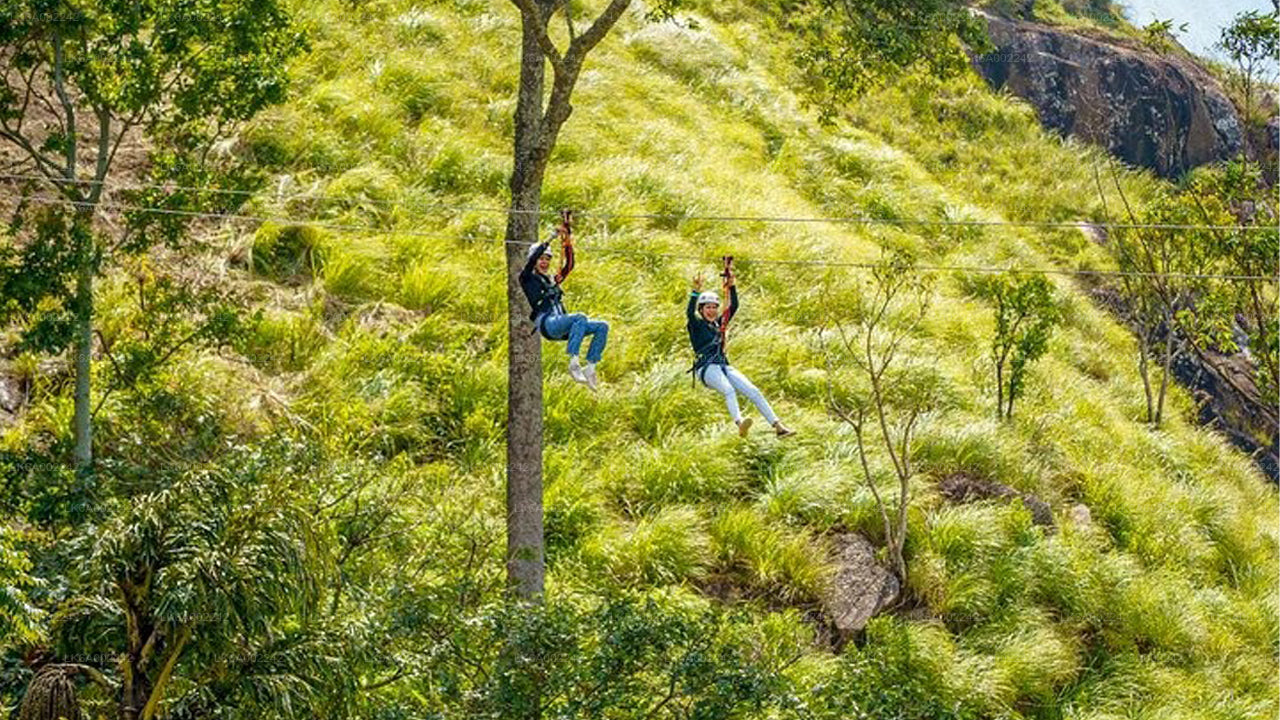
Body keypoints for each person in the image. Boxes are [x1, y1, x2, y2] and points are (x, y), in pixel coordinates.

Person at [686, 268, 794, 438]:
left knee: (753, 391)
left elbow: (733, 306)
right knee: (728, 390)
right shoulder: (696, 325)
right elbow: (689, 314)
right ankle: (739, 422)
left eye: (714, 307)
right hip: (706, 367)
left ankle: (779, 426)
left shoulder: (718, 324)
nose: (712, 311)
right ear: (701, 309)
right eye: (708, 307)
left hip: (722, 365)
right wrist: (695, 292)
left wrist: (732, 286)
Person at [519, 215, 608, 390]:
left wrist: (567, 239)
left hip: (563, 326)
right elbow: (530, 262)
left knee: (602, 326)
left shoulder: (552, 279)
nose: (544, 262)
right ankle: (574, 362)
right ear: (535, 260)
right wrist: (552, 236)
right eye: (541, 259)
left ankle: (590, 367)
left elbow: (569, 265)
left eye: (547, 259)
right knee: (580, 317)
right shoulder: (527, 278)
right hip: (548, 323)